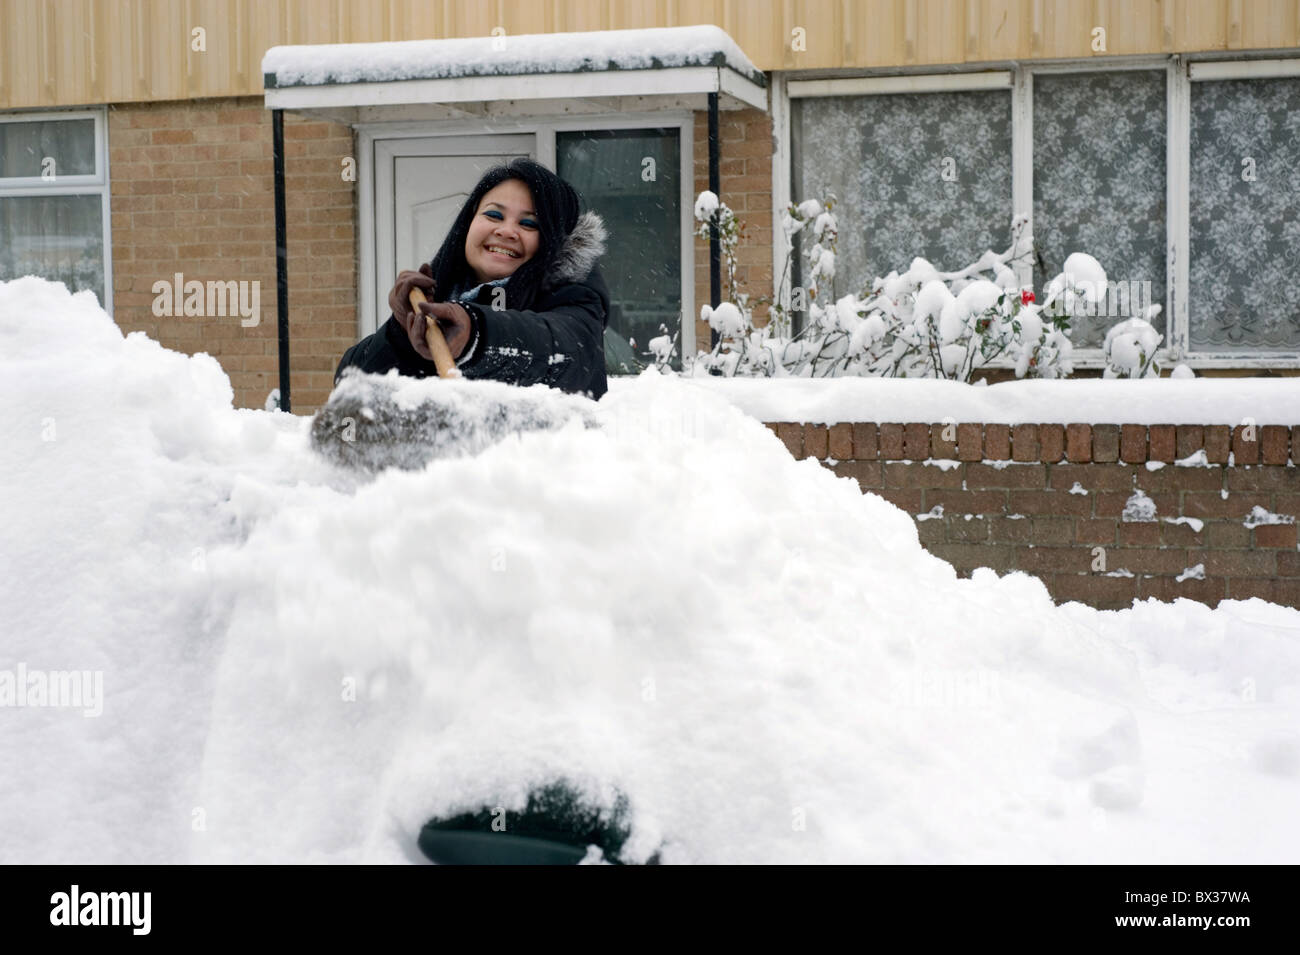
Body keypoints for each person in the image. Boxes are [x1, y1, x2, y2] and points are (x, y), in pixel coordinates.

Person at [335, 158, 610, 399]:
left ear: (552, 240)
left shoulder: (577, 298)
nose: (506, 231)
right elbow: (348, 387)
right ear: (468, 224)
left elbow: (568, 355)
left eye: (528, 223)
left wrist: (476, 335)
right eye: (493, 214)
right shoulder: (436, 301)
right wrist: (400, 334)